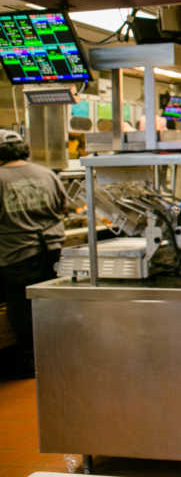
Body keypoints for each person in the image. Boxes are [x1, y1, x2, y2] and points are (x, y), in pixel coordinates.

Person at [0, 129, 67, 379]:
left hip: (17, 253)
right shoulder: (47, 173)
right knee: (49, 302)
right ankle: (57, 354)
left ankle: (31, 363)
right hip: (52, 249)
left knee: (22, 308)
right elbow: (62, 207)